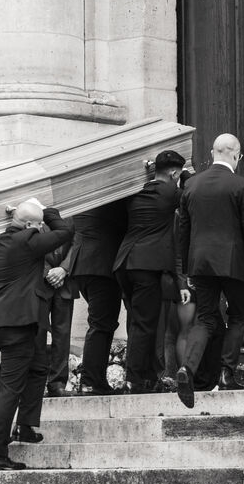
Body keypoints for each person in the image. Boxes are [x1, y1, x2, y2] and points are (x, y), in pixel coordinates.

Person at [174, 134, 244, 408]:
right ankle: (226, 374)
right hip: (234, 263)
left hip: (200, 263)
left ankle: (187, 368)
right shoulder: (242, 185)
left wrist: (187, 271)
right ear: (236, 154)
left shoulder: (191, 184)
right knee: (237, 316)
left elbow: (183, 231)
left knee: (204, 319)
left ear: (212, 153)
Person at [0, 198, 74, 472]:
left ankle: (25, 425)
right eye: (38, 225)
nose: (42, 228)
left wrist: (30, 215)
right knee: (10, 388)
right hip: (16, 324)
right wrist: (45, 209)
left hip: (0, 321)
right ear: (30, 225)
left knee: (38, 365)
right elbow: (65, 231)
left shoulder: (1, 240)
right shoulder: (28, 240)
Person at [114, 150, 185, 394]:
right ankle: (134, 379)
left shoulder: (136, 191)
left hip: (124, 263)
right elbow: (191, 195)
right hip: (146, 266)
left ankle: (146, 375)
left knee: (138, 320)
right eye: (178, 175)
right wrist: (187, 176)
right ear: (173, 173)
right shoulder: (170, 192)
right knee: (145, 324)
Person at [68, 200, 127, 395]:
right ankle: (91, 382)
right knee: (101, 324)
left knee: (103, 323)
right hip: (100, 265)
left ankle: (96, 380)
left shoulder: (89, 195)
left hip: (83, 264)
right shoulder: (111, 198)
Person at [42, 233, 77, 397]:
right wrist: (49, 272)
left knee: (63, 334)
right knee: (37, 333)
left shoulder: (72, 218)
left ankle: (58, 382)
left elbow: (78, 240)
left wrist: (64, 269)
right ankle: (36, 382)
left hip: (66, 281)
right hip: (39, 279)